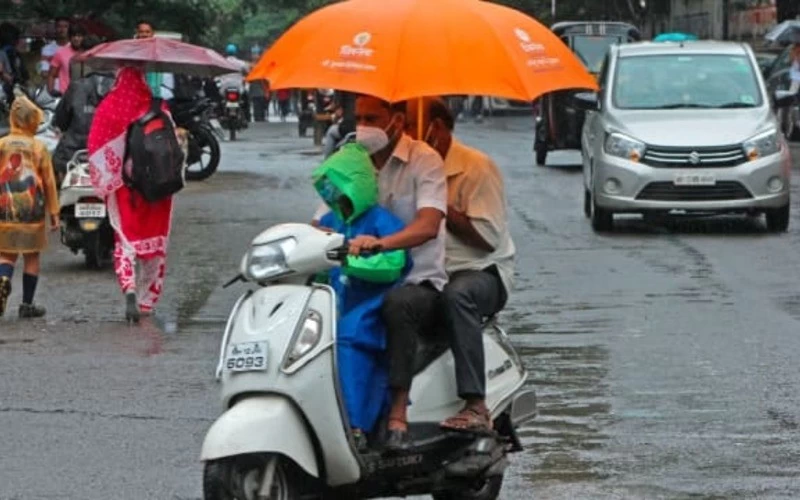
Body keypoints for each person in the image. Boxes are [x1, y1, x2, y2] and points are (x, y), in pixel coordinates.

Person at [327, 95, 448, 450]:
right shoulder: (350, 158)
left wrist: (381, 243)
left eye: (373, 118)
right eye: (359, 117)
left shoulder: (424, 160)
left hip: (417, 282)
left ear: (396, 119)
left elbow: (428, 225)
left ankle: (397, 412)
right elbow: (324, 213)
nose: (363, 126)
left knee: (397, 305)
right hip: (359, 281)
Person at [405, 97, 515, 432]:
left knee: (458, 295)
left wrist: (439, 204)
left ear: (434, 128)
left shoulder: (476, 167)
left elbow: (486, 239)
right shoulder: (404, 167)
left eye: (409, 125)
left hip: (480, 270)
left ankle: (475, 403)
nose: (402, 133)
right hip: (424, 270)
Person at [313, 142, 411, 450]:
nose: (334, 196)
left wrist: (352, 258)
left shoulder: (382, 222)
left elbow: (394, 263)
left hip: (369, 307)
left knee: (345, 339)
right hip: (332, 302)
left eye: (339, 188)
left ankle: (354, 425)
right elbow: (312, 252)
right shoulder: (330, 222)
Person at [87, 66, 175, 324]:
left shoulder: (110, 107)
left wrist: (108, 179)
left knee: (124, 242)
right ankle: (147, 302)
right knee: (156, 244)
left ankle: (130, 288)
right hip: (160, 188)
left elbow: (95, 145)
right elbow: (175, 147)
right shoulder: (159, 106)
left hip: (127, 188)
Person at [0, 92, 60, 319]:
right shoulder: (38, 148)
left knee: (6, 253)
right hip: (31, 209)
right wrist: (54, 212)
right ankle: (27, 304)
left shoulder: (2, 144)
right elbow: (49, 182)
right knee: (31, 256)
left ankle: (3, 278)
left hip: (5, 205)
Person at [51, 37, 114, 184]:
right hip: (109, 153)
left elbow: (60, 121)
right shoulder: (119, 90)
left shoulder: (76, 87)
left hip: (72, 151)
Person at [134, 20, 174, 101]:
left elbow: (168, 82)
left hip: (159, 95)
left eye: (147, 32)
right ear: (137, 33)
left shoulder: (160, 52)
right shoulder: (132, 52)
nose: (144, 35)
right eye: (141, 32)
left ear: (152, 33)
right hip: (136, 93)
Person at [47, 24, 85, 96]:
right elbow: (51, 75)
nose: (76, 39)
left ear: (83, 37)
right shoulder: (60, 52)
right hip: (65, 95)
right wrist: (51, 91)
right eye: (74, 36)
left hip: (83, 95)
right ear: (70, 37)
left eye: (79, 36)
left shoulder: (88, 52)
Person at [217, 44, 251, 122]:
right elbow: (247, 72)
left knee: (218, 100)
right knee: (245, 100)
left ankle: (219, 115)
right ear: (235, 52)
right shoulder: (241, 63)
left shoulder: (221, 62)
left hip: (224, 87)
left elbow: (217, 74)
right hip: (238, 87)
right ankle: (247, 116)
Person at [39, 17, 70, 83]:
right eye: (59, 26)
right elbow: (44, 73)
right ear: (55, 29)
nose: (62, 30)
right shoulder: (46, 49)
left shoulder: (75, 48)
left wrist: (54, 73)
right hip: (52, 87)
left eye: (65, 27)